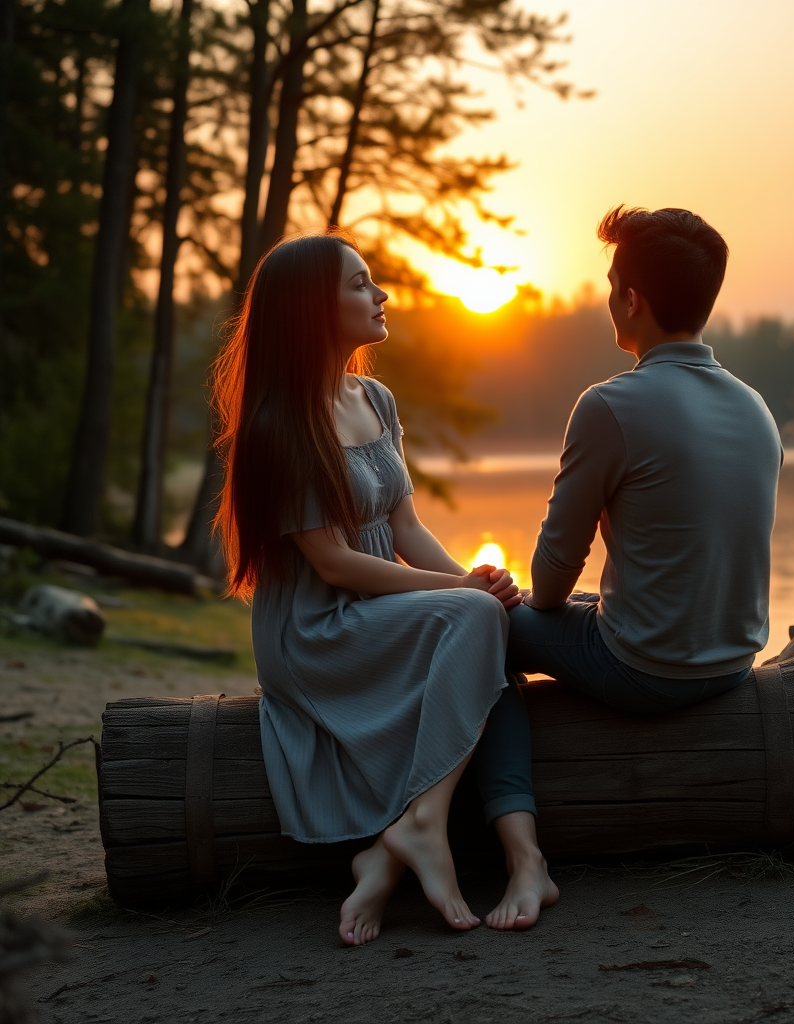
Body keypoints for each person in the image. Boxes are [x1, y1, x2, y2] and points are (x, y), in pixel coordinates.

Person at [213, 231, 557, 946]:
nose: (381, 295)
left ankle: (404, 840)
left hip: (377, 608)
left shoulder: (374, 396)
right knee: (475, 620)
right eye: (360, 284)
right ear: (313, 309)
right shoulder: (280, 425)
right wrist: (457, 592)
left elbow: (405, 523)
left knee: (483, 615)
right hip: (317, 630)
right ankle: (423, 829)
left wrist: (471, 580)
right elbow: (335, 566)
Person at [507, 206, 782, 713]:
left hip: (645, 669)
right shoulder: (756, 406)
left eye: (612, 287)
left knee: (482, 619)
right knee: (577, 604)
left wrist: (526, 601)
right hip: (734, 664)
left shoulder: (609, 405)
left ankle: (508, 792)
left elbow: (551, 580)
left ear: (631, 300)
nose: (609, 301)